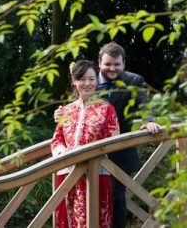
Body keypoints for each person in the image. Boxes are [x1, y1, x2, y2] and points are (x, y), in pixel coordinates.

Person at [54, 42, 161, 228]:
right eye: (108, 64)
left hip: (118, 154)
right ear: (99, 63)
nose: (112, 68)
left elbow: (144, 105)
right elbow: (78, 113)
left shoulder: (134, 81)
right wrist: (60, 115)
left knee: (116, 200)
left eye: (117, 64)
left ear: (124, 64)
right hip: (83, 159)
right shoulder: (90, 81)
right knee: (83, 203)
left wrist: (149, 120)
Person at [51, 60, 120, 228]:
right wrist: (63, 154)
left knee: (95, 219)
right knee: (68, 219)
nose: (87, 83)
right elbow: (57, 138)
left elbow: (113, 138)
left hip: (94, 173)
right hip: (67, 172)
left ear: (97, 81)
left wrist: (88, 155)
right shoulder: (66, 110)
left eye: (91, 79)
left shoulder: (107, 109)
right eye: (82, 79)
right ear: (75, 82)